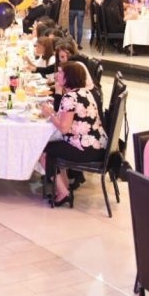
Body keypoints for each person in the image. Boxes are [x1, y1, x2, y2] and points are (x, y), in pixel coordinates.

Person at [40, 62, 108, 208]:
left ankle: (64, 193)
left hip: (86, 149)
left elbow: (64, 129)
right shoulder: (86, 92)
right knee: (54, 148)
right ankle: (64, 187)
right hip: (98, 146)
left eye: (61, 73)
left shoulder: (70, 97)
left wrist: (50, 114)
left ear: (69, 78)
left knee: (43, 151)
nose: (57, 75)